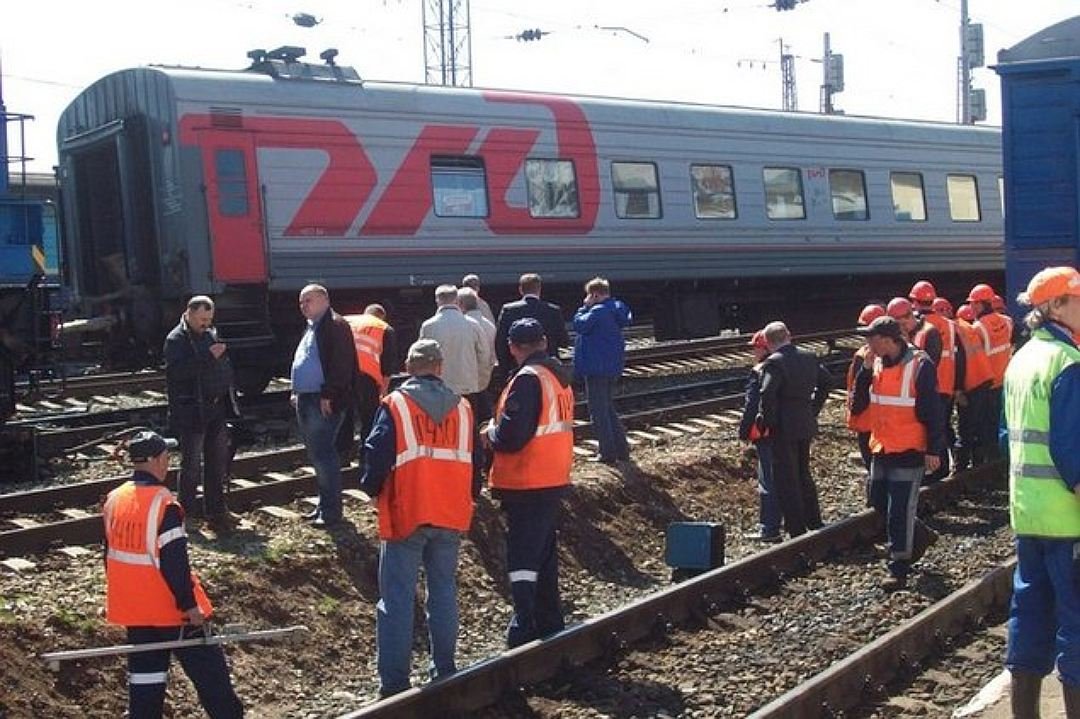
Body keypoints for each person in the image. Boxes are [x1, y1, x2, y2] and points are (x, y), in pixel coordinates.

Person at [359, 339, 480, 698]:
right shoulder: (464, 409)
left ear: (409, 368)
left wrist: (371, 489)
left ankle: (394, 684)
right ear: (440, 368)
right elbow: (477, 463)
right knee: (443, 590)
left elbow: (375, 456)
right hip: (451, 512)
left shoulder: (395, 405)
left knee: (396, 598)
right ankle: (444, 668)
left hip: (407, 511)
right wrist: (469, 497)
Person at [103, 430, 243, 719]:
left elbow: (110, 555)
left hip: (136, 613)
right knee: (215, 686)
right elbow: (174, 562)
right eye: (166, 456)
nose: (168, 462)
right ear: (156, 461)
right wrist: (190, 606)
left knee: (145, 689)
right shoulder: (163, 504)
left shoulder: (115, 499)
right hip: (172, 612)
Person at [1002, 266, 1080, 717]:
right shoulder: (1067, 364)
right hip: (1068, 519)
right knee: (1077, 626)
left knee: (1029, 617)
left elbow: (1004, 439)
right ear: (1054, 307)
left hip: (1028, 514)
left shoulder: (1021, 360)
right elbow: (1074, 451)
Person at [483, 318, 574, 648]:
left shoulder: (527, 379)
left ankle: (524, 624)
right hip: (552, 476)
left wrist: (489, 434)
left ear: (512, 347)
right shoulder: (558, 377)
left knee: (522, 555)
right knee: (544, 553)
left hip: (527, 478)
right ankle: (550, 619)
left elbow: (512, 435)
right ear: (544, 342)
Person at [850, 316, 944, 589]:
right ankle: (921, 535)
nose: (867, 344)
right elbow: (858, 405)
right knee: (878, 501)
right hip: (882, 446)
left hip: (910, 448)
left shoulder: (920, 364)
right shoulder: (875, 362)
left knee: (899, 510)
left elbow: (933, 411)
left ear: (889, 339)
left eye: (872, 338)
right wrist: (865, 371)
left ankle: (898, 567)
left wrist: (934, 449)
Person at [163, 295, 239, 532]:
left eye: (209, 319)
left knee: (216, 462)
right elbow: (177, 374)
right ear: (190, 313)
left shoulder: (209, 334)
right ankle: (186, 513)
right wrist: (209, 357)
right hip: (192, 410)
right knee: (192, 465)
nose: (206, 324)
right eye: (202, 319)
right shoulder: (175, 339)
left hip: (215, 408)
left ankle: (216, 511)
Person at [291, 284, 358, 528]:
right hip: (307, 397)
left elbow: (341, 364)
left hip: (323, 399)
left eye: (308, 300)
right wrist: (296, 390)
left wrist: (329, 394)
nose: (303, 306)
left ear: (323, 299)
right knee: (316, 453)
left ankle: (331, 512)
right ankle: (324, 505)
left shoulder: (335, 325)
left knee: (323, 453)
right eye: (301, 302)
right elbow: (304, 359)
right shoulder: (313, 327)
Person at [757, 321, 832, 537]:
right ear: (789, 335)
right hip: (805, 422)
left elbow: (767, 393)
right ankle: (814, 520)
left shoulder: (774, 363)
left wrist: (768, 421)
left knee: (785, 478)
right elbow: (826, 382)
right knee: (803, 472)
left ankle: (796, 528)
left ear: (769, 343)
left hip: (783, 427)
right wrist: (813, 408)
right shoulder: (809, 357)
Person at [572, 277, 632, 466]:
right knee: (607, 408)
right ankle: (622, 450)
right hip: (611, 366)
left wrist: (584, 307)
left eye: (589, 295)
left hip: (596, 367)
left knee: (598, 411)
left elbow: (579, 325)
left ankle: (607, 452)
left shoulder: (597, 311)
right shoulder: (617, 308)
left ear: (595, 294)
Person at [908, 281, 957, 482]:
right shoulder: (950, 325)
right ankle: (945, 466)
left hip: (930, 388)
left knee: (931, 429)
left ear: (915, 302)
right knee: (943, 426)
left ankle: (937, 470)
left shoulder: (921, 330)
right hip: (948, 384)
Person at [342, 304, 399, 462]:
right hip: (367, 378)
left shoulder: (346, 321)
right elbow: (387, 365)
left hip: (342, 375)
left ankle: (343, 455)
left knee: (345, 416)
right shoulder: (383, 328)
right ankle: (365, 455)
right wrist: (384, 391)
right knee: (369, 419)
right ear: (381, 316)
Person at [419, 285, 489, 411]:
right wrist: (479, 383)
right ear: (457, 300)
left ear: (437, 300)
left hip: (439, 388)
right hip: (467, 386)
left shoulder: (428, 326)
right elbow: (484, 355)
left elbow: (421, 359)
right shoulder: (473, 325)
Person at [740, 330, 780, 542]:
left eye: (755, 347)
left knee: (768, 482)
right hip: (787, 432)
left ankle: (769, 528)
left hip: (765, 434)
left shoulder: (758, 371)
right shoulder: (786, 365)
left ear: (764, 348)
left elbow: (751, 406)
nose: (753, 351)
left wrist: (743, 432)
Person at [494, 273, 570, 381]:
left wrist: (505, 369)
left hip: (518, 367)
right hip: (548, 369)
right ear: (539, 289)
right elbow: (564, 341)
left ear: (521, 289)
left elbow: (500, 342)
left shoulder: (508, 310)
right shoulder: (553, 311)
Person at [968, 283, 1013, 461]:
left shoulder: (977, 328)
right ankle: (1002, 459)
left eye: (973, 303)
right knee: (1004, 422)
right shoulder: (1007, 321)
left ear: (980, 304)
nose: (971, 307)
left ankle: (992, 460)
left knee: (988, 425)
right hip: (1006, 380)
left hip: (989, 384)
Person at [953, 303, 995, 470]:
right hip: (985, 379)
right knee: (980, 425)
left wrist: (958, 390)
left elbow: (960, 361)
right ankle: (979, 463)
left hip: (972, 384)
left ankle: (961, 466)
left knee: (966, 426)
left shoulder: (955, 330)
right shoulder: (967, 327)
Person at [847, 304, 886, 473]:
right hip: (882, 421)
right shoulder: (890, 354)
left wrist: (854, 411)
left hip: (865, 419)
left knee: (872, 466)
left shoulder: (863, 356)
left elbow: (858, 389)